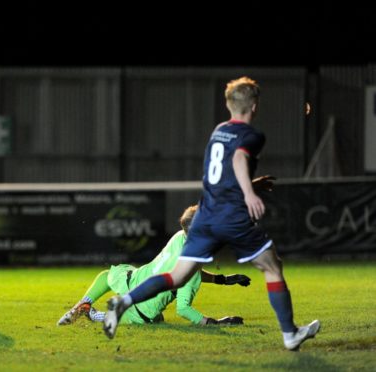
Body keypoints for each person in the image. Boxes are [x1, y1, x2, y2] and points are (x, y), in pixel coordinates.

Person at [103, 77, 320, 351]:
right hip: (227, 215)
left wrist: (251, 185)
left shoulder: (219, 131)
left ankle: (123, 302)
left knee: (177, 276)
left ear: (229, 105)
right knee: (272, 266)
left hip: (206, 213)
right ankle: (289, 334)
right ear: (253, 106)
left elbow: (221, 178)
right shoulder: (252, 135)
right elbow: (240, 159)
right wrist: (250, 193)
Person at [57, 204, 250, 327]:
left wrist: (221, 279)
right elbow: (183, 308)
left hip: (133, 280)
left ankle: (82, 304)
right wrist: (215, 323)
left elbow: (191, 272)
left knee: (108, 274)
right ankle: (92, 314)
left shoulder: (179, 237)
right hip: (142, 310)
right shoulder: (191, 262)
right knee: (118, 317)